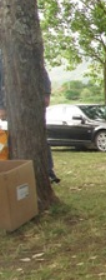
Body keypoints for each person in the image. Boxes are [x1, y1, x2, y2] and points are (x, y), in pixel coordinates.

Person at [0, 50, 59, 183]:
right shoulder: (2, 56)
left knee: (40, 137)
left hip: (33, 103)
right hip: (11, 105)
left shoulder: (29, 53)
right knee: (10, 139)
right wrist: (1, 106)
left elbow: (42, 73)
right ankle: (13, 170)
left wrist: (46, 94)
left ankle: (48, 172)